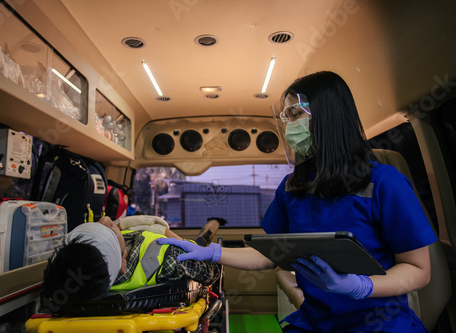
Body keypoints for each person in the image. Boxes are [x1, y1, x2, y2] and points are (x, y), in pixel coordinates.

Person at [158, 71, 437, 332]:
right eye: (286, 117)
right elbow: (270, 255)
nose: (289, 126)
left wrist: (360, 286)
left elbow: (419, 270)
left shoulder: (384, 183)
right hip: (316, 322)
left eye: (295, 115)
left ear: (329, 117)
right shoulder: (293, 187)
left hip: (379, 323)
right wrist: (213, 254)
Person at [42, 216, 220, 311]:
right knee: (202, 244)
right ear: (123, 264)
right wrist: (170, 235)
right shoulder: (170, 259)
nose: (105, 220)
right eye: (109, 231)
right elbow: (212, 272)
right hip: (183, 247)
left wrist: (119, 229)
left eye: (96, 223)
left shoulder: (93, 278)